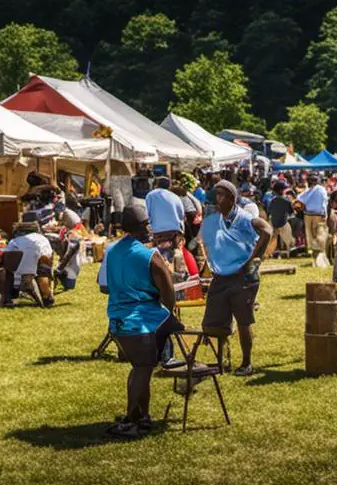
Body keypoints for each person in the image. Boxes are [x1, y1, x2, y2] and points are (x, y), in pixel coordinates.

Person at [102, 203, 181, 439]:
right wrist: (169, 311)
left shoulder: (113, 251)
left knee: (139, 369)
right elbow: (168, 292)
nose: (150, 228)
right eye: (147, 224)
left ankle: (142, 415)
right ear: (140, 227)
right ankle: (133, 419)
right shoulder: (150, 255)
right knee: (142, 369)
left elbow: (104, 284)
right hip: (141, 322)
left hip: (117, 320)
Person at [199, 180, 272, 376]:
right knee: (214, 323)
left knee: (243, 320)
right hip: (222, 276)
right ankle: (222, 360)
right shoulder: (218, 218)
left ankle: (246, 363)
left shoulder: (244, 218)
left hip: (244, 278)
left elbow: (267, 230)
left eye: (221, 195)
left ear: (231, 199)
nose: (217, 199)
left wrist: (253, 259)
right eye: (217, 195)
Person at [4, 213, 55, 307]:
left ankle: (8, 296)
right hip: (38, 273)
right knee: (44, 265)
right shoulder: (42, 240)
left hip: (17, 275)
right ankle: (46, 294)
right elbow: (48, 257)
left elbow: (7, 256)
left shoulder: (14, 241)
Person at [298, 175, 330, 267]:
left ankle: (319, 258)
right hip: (315, 215)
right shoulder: (319, 190)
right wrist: (325, 214)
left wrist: (324, 214)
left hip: (312, 215)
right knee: (316, 236)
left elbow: (300, 199)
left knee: (315, 237)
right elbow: (324, 202)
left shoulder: (315, 190)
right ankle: (318, 258)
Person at [267, 182, 295, 256]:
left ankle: (270, 253)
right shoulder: (286, 201)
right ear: (281, 190)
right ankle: (289, 252)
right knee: (289, 240)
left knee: (272, 239)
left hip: (273, 222)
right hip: (283, 223)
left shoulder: (272, 201)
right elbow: (291, 212)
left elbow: (269, 211)